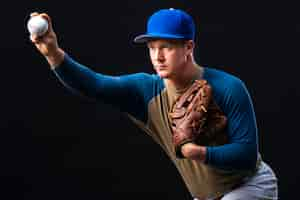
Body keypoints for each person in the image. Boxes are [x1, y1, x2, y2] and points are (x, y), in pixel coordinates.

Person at [30, 8, 278, 200]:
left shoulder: (228, 87)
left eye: (166, 47)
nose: (157, 56)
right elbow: (94, 85)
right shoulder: (145, 91)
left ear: (188, 46)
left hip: (249, 185)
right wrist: (53, 53)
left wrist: (197, 152)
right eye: (152, 48)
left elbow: (246, 156)